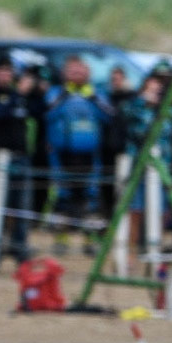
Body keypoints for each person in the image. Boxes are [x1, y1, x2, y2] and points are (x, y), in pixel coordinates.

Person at [44, 55, 113, 246]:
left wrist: (92, 98)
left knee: (91, 198)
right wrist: (65, 95)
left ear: (88, 73)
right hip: (62, 155)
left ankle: (90, 240)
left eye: (80, 70)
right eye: (72, 70)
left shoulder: (96, 94)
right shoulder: (56, 93)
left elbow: (110, 116)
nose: (77, 74)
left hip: (90, 156)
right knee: (62, 197)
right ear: (64, 73)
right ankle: (61, 238)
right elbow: (47, 113)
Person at [0, 57, 33, 260]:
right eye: (1, 70)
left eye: (8, 70)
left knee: (22, 206)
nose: (5, 75)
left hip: (21, 157)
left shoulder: (18, 96)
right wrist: (18, 93)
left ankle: (19, 248)